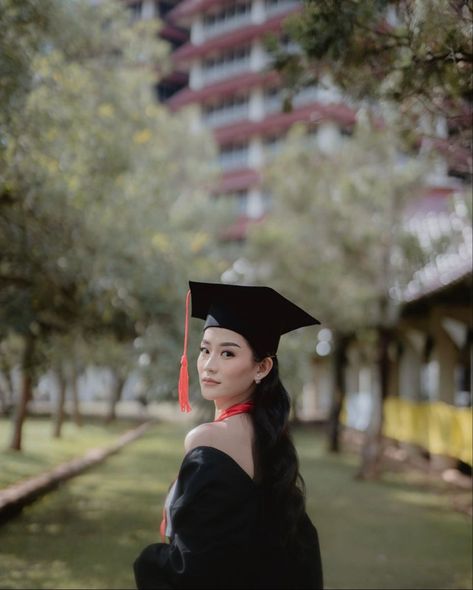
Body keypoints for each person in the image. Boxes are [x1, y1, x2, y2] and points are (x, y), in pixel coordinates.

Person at [133, 281, 324, 589]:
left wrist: (148, 560)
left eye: (227, 354)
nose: (209, 365)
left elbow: (193, 571)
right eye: (204, 349)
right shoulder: (269, 438)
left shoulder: (207, 439)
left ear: (261, 367)